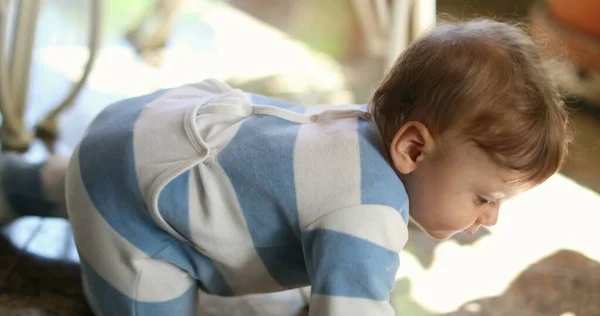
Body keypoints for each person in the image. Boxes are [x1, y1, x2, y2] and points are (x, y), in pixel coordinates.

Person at [0, 18, 571, 316]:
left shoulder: (355, 126)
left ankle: (16, 185)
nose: (490, 218)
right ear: (414, 151)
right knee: (113, 213)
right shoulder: (368, 214)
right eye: (485, 197)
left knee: (77, 182)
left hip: (141, 131)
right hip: (134, 203)